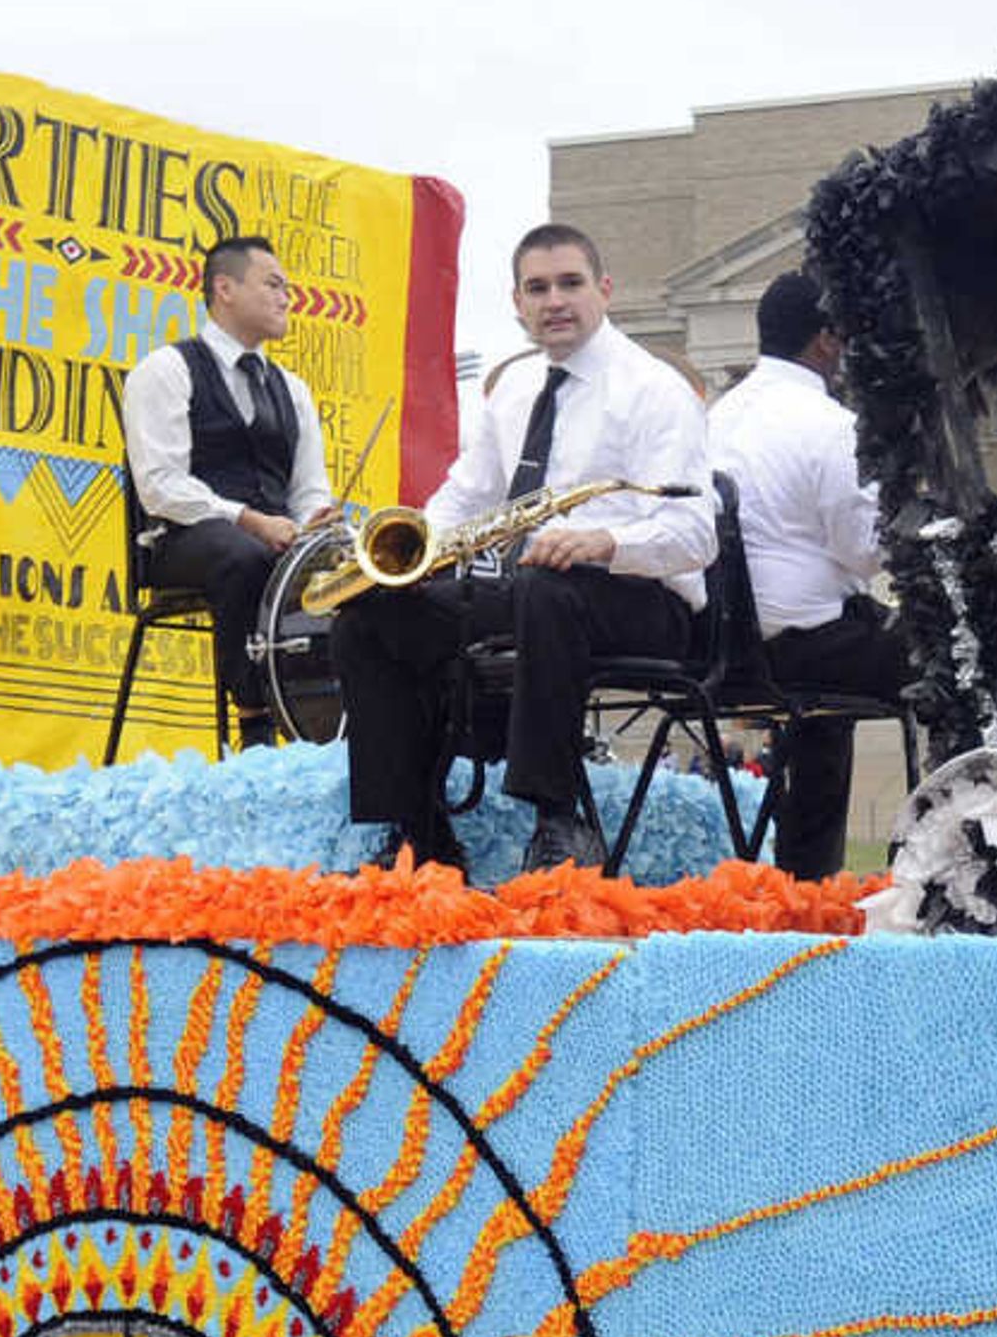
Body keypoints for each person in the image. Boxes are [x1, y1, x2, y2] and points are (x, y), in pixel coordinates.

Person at [327, 224, 711, 871]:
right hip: (537, 594)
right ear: (516, 301)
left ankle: (558, 820)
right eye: (538, 288)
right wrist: (404, 560)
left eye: (570, 283)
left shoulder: (654, 389)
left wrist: (600, 542)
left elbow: (694, 534)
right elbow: (463, 495)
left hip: (644, 603)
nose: (554, 300)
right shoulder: (513, 390)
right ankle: (418, 837)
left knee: (546, 590)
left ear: (605, 289)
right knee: (369, 619)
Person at [709, 271, 911, 880]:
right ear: (826, 340)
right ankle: (947, 848)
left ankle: (809, 873)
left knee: (846, 657)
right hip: (802, 653)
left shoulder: (715, 417)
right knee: (952, 660)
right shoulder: (830, 425)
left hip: (720, 653)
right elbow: (867, 554)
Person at [118, 236, 335, 745]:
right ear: (225, 289)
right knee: (242, 556)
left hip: (274, 539)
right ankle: (255, 720)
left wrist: (313, 524)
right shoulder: (166, 370)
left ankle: (332, 728)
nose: (287, 298)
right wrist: (250, 520)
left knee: (351, 569)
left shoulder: (293, 388)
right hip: (185, 540)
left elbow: (307, 487)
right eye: (273, 284)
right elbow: (160, 486)